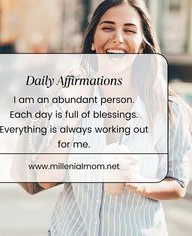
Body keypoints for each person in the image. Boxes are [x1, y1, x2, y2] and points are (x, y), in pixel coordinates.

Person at [15, 0, 192, 235]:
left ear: (141, 46)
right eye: (108, 28)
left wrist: (140, 182)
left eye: (129, 30)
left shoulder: (168, 110)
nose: (118, 38)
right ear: (92, 42)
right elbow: (46, 179)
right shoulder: (70, 96)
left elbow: (178, 184)